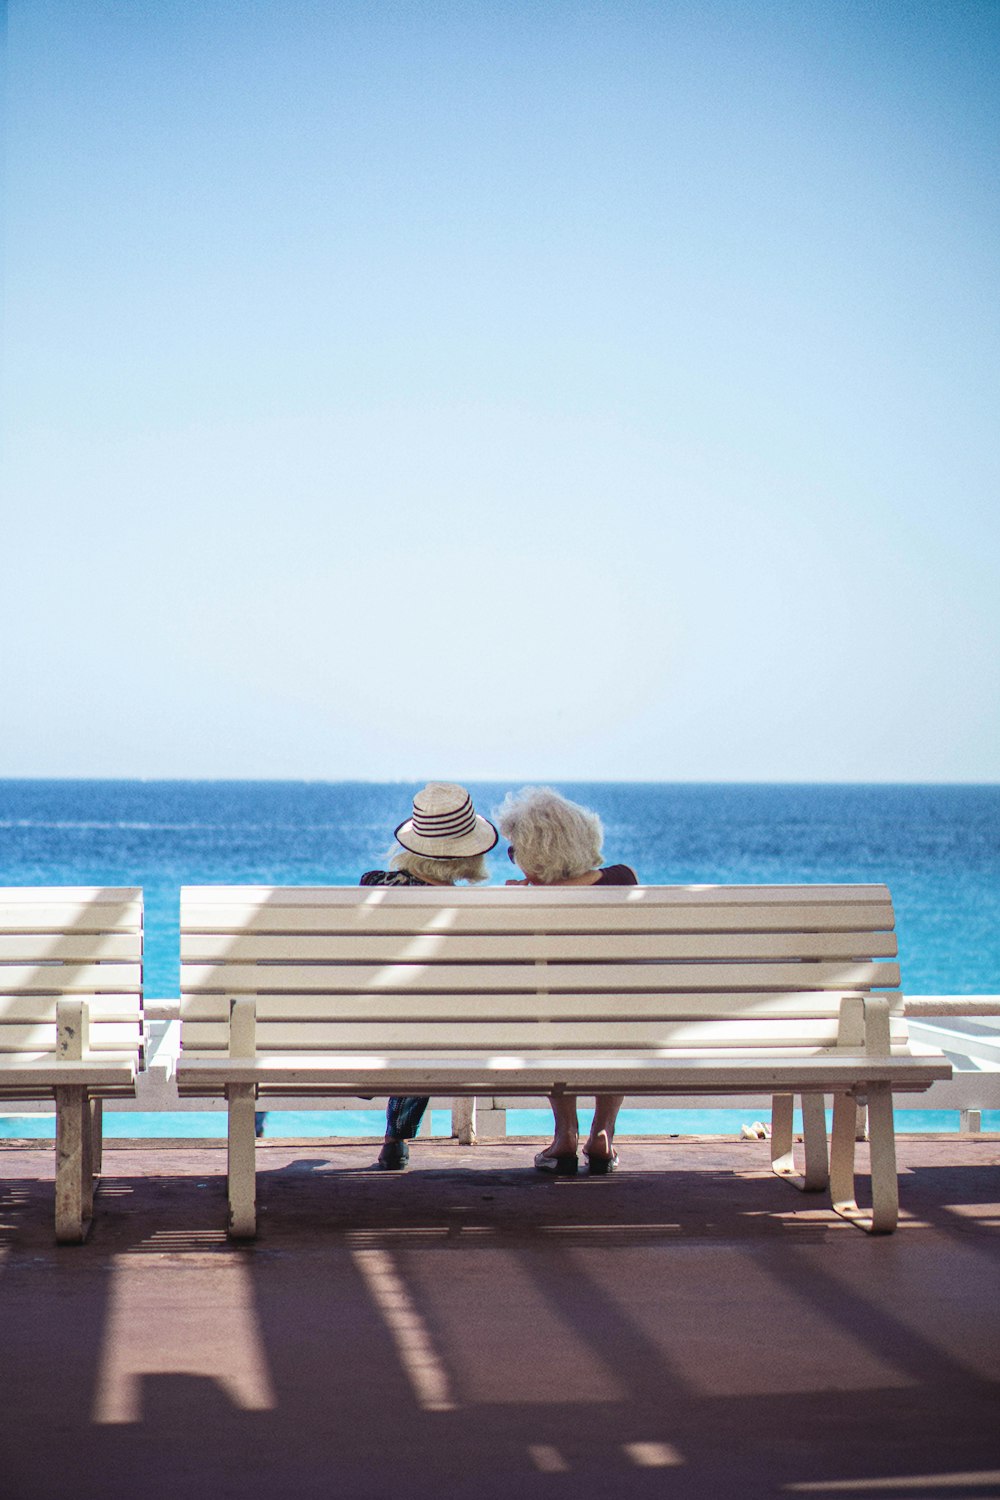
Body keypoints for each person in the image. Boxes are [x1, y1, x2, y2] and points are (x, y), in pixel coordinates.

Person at [495, 786, 637, 1177]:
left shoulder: (526, 900)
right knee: (615, 1013)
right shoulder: (624, 879)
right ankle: (603, 1132)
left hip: (556, 1031)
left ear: (536, 853)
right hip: (621, 1027)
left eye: (514, 850)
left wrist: (530, 897)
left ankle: (565, 1137)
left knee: (548, 1016)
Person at [361, 782, 498, 1169]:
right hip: (446, 1033)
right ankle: (397, 1135)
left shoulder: (371, 886)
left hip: (362, 1028)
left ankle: (394, 1137)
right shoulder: (471, 910)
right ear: (472, 852)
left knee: (413, 1016)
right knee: (428, 1019)